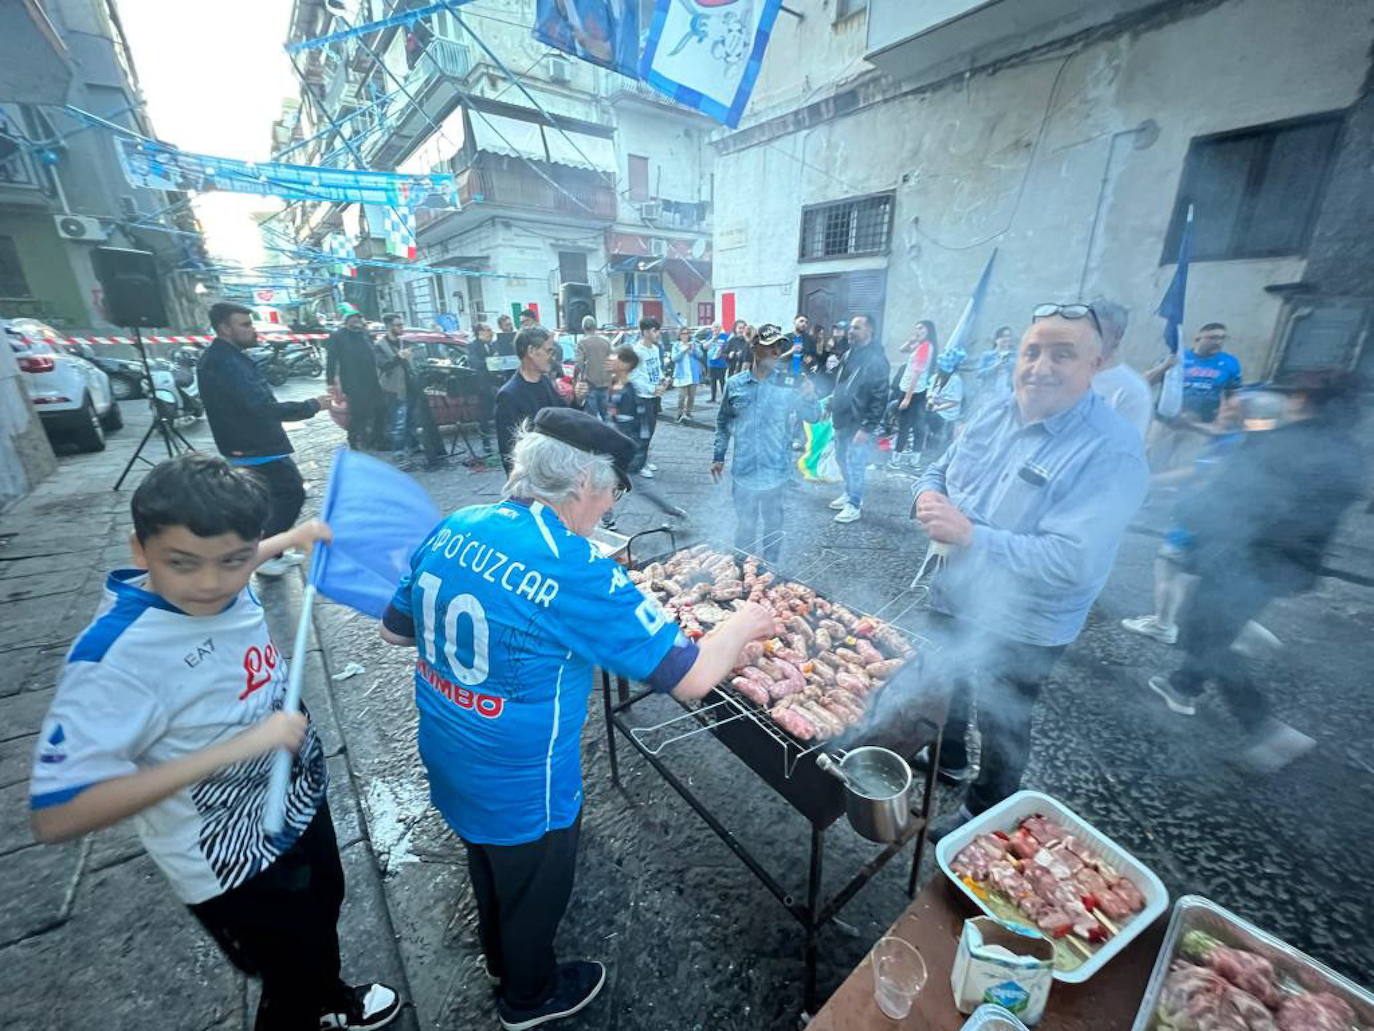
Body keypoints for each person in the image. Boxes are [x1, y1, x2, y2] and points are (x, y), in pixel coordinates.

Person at [379, 410, 773, 1031]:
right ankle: (528, 996)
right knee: (535, 884)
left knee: (486, 859)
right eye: (614, 492)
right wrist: (743, 624)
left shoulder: (455, 524)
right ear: (585, 486)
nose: (610, 507)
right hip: (522, 776)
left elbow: (394, 631)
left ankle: (499, 958)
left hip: (447, 742)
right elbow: (694, 678)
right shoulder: (575, 568)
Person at [29, 454, 401, 1031]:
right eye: (182, 564)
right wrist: (239, 747)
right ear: (139, 551)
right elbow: (58, 814)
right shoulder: (115, 660)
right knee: (286, 976)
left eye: (234, 561)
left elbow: (230, 554)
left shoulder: (224, 575)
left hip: (296, 805)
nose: (211, 585)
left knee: (324, 909)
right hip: (235, 864)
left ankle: (331, 999)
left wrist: (294, 537)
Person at [911, 303, 1149, 835]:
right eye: (1032, 352)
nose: (1041, 367)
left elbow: (1072, 559)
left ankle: (985, 813)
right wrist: (927, 495)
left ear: (1097, 365)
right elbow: (937, 470)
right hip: (956, 590)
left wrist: (971, 535)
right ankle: (947, 755)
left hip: (1027, 618)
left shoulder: (1113, 450)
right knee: (944, 680)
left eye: (1063, 355)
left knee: (1004, 718)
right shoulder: (996, 409)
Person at [1143, 371, 1365, 772]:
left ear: (1303, 399)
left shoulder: (1277, 444)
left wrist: (1188, 514)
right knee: (1214, 626)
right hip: (1287, 565)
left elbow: (1226, 495)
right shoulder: (1348, 453)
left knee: (1203, 634)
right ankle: (1184, 684)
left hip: (1241, 557)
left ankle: (1266, 728)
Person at [1121, 389, 1282, 653]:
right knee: (1194, 576)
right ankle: (1229, 625)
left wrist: (1148, 482)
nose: (1221, 409)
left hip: (1200, 518)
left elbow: (1196, 472)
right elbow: (1216, 434)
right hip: (1221, 520)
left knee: (1169, 566)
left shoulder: (1234, 444)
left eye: (1229, 407)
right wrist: (1190, 424)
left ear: (1244, 415)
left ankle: (1164, 626)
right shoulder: (1252, 437)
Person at [197, 301, 332, 577]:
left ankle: (271, 551)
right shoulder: (225, 362)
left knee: (268, 500)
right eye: (244, 325)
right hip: (253, 445)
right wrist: (312, 405)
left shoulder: (228, 357)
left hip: (249, 442)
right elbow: (260, 406)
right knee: (291, 493)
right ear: (224, 328)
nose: (252, 330)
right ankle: (265, 556)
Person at [713, 324, 821, 564]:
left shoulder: (788, 384)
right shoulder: (735, 384)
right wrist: (718, 456)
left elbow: (813, 417)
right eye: (769, 346)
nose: (774, 352)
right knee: (745, 526)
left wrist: (810, 395)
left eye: (778, 347)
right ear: (754, 347)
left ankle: (769, 571)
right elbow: (723, 422)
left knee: (773, 526)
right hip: (744, 471)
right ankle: (741, 569)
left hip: (777, 472)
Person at [606, 346, 688, 521]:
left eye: (616, 356)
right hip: (614, 448)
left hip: (625, 451)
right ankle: (607, 519)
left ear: (626, 364)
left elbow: (641, 427)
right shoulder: (614, 385)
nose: (611, 358)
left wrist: (638, 454)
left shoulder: (630, 392)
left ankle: (674, 512)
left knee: (638, 487)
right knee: (604, 485)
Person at [494, 326, 588, 472]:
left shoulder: (544, 383)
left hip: (555, 470)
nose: (552, 356)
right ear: (531, 351)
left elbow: (565, 417)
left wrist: (578, 399)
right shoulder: (508, 395)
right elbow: (509, 451)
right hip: (532, 478)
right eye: (548, 350)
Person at [828, 314, 890, 524]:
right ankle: (848, 492)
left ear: (869, 330)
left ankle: (855, 504)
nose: (850, 332)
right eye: (851, 328)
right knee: (841, 459)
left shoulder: (876, 360)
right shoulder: (849, 353)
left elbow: (880, 396)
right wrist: (832, 403)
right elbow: (841, 384)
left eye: (856, 328)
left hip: (858, 422)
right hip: (841, 417)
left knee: (856, 463)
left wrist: (867, 427)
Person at [1090, 300, 1152, 439]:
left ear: (1117, 336)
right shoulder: (1066, 374)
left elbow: (1125, 448)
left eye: (1096, 332)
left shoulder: (1132, 389)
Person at [326, 312, 387, 450]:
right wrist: (330, 382)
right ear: (347, 321)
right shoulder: (338, 336)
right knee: (359, 413)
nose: (356, 322)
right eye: (353, 320)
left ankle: (377, 440)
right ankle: (354, 440)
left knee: (381, 409)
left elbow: (375, 353)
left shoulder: (364, 333)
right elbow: (331, 360)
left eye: (359, 319)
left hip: (372, 379)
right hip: (353, 381)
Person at [892, 320, 938, 467]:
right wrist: (911, 340)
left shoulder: (925, 347)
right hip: (910, 388)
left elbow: (916, 373)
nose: (917, 331)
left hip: (914, 391)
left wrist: (907, 397)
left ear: (928, 331)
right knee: (914, 424)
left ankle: (898, 459)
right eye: (916, 328)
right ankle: (911, 459)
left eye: (921, 329)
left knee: (907, 425)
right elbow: (902, 350)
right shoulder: (920, 345)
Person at [628, 316, 668, 477]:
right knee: (642, 432)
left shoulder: (655, 349)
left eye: (658, 330)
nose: (657, 333)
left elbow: (657, 368)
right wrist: (652, 389)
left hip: (654, 396)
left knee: (650, 430)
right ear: (645, 332)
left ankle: (644, 459)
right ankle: (638, 464)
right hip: (642, 397)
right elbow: (634, 377)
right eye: (654, 330)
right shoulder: (637, 351)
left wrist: (663, 380)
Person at [374, 313, 416, 462]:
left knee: (412, 419)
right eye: (398, 325)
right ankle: (398, 451)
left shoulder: (402, 342)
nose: (401, 328)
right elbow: (383, 365)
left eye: (401, 325)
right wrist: (399, 357)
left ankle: (413, 446)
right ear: (388, 327)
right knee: (398, 422)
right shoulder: (380, 346)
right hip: (394, 389)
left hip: (409, 387)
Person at [921, 345, 966, 458]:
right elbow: (929, 392)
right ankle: (921, 447)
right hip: (933, 409)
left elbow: (955, 402)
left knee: (940, 428)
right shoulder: (935, 377)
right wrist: (930, 400)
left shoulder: (955, 380)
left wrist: (938, 408)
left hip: (947, 412)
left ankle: (938, 453)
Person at [465, 321, 499, 452]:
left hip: (495, 382)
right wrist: (490, 360)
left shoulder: (492, 345)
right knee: (484, 414)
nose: (491, 332)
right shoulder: (473, 346)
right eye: (488, 329)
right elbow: (475, 363)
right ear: (480, 332)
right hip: (483, 385)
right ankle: (486, 442)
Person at [574, 315, 613, 421]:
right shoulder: (606, 341)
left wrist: (578, 380)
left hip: (590, 384)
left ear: (583, 328)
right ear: (595, 327)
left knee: (592, 418)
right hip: (605, 384)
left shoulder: (582, 343)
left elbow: (579, 364)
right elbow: (612, 360)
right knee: (607, 416)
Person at [973, 325, 1016, 409]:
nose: (1006, 339)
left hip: (1007, 392)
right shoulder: (987, 355)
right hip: (990, 392)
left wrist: (1010, 366)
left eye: (1009, 336)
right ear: (996, 339)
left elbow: (1020, 374)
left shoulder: (1015, 355)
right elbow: (978, 374)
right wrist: (994, 368)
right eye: (1003, 336)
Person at [671, 325, 702, 422]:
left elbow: (700, 355)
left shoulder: (694, 344)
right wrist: (683, 351)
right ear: (679, 335)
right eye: (683, 334)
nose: (685, 336)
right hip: (681, 374)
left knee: (691, 396)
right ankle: (679, 413)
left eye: (687, 333)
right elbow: (674, 358)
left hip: (693, 374)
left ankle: (688, 412)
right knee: (682, 396)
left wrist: (693, 350)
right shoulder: (676, 345)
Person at [706, 323, 730, 403]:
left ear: (720, 329)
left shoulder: (724, 336)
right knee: (712, 381)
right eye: (714, 328)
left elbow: (728, 347)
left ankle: (724, 398)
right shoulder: (710, 336)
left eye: (717, 328)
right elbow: (705, 347)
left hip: (721, 363)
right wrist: (712, 339)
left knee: (722, 381)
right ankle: (713, 397)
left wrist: (723, 351)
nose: (715, 329)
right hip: (711, 363)